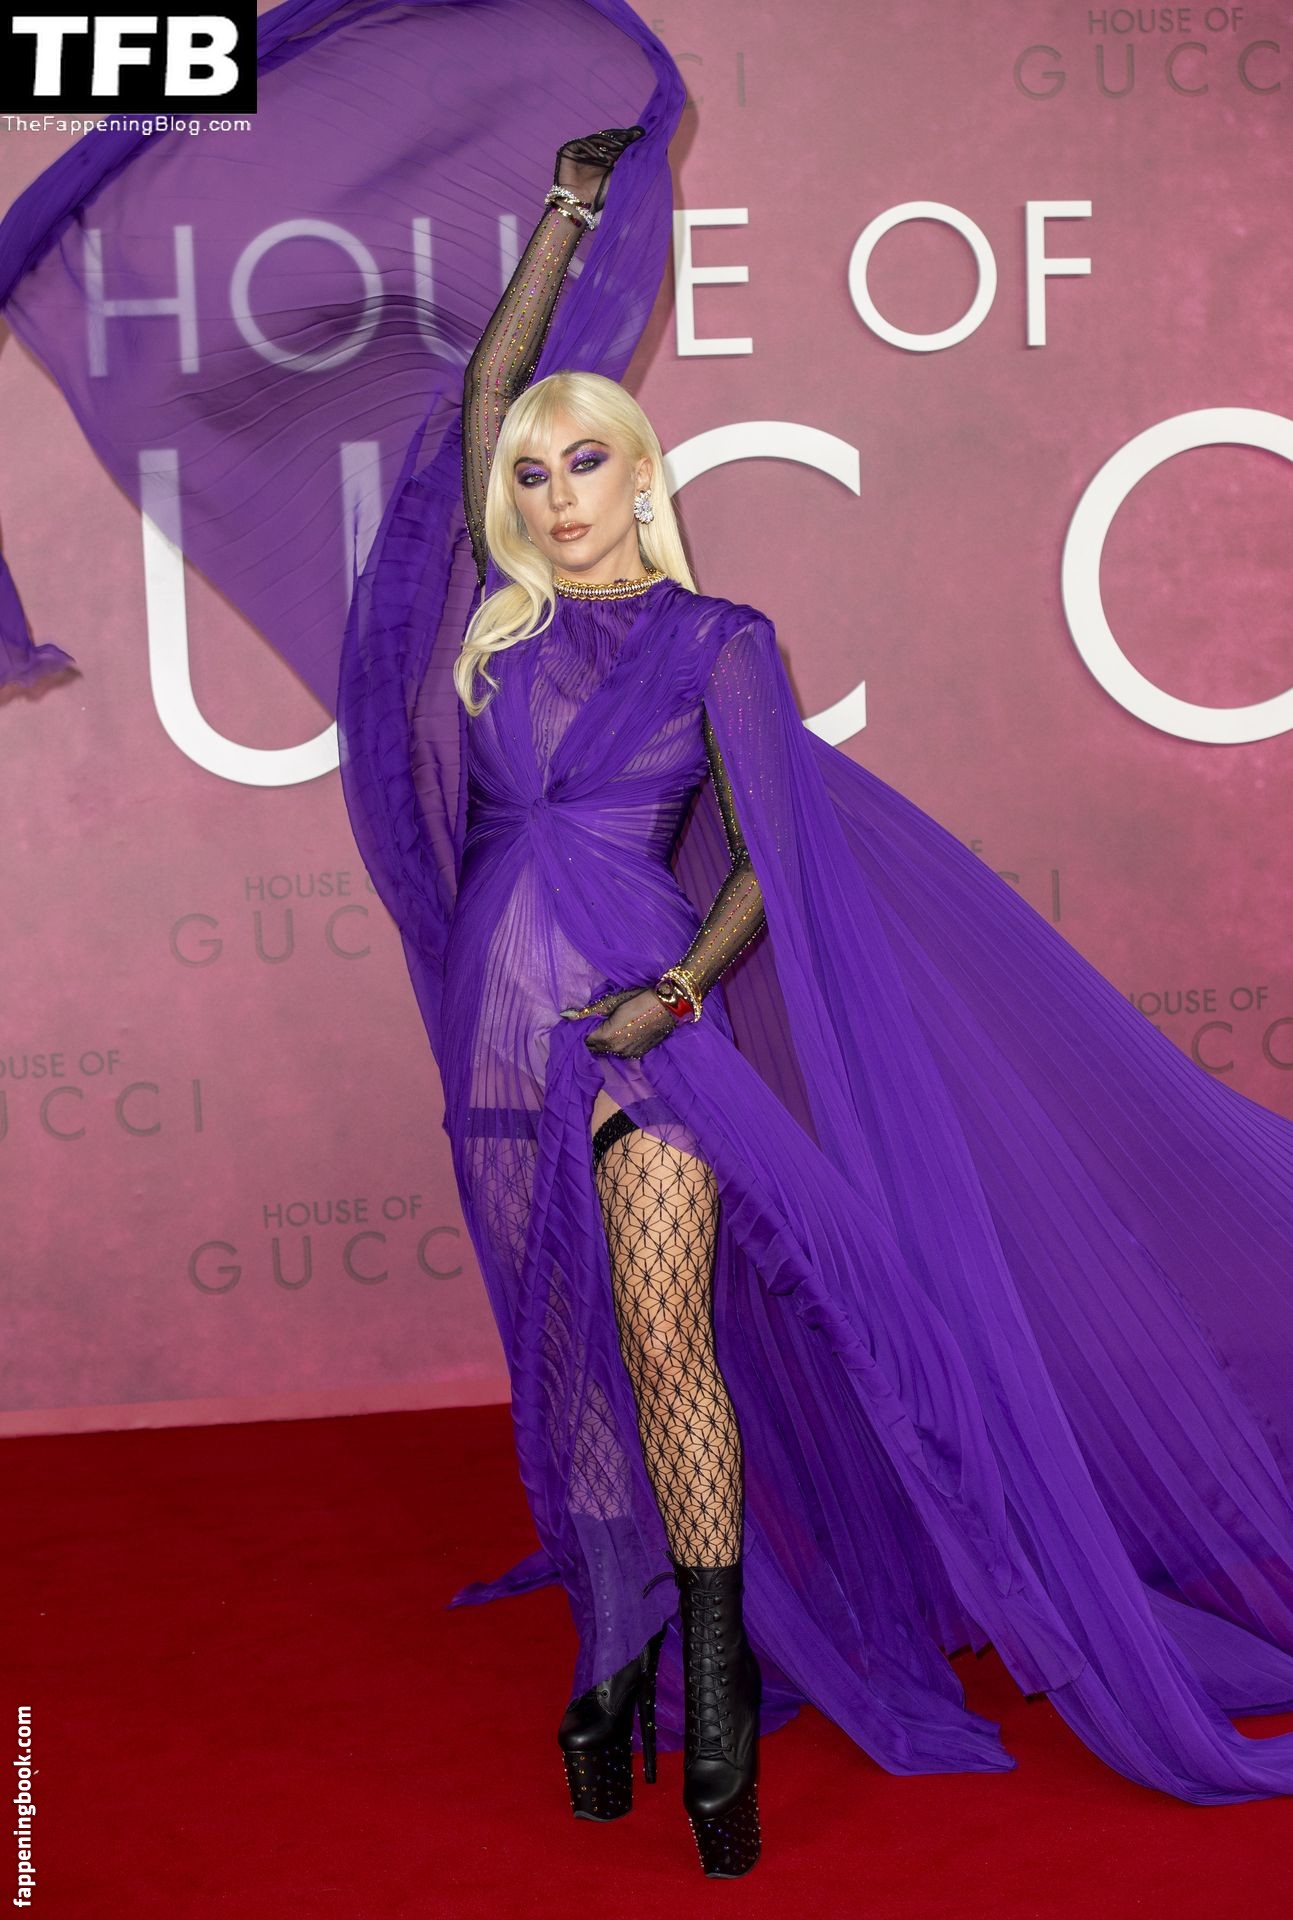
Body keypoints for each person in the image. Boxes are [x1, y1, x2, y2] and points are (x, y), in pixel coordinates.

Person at [8, 0, 1293, 1885]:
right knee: (578, 1363)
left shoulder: (718, 646)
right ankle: (616, 1655)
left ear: (638, 474)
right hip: (497, 1027)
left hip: (645, 1027)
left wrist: (677, 995)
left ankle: (714, 1683)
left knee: (670, 1347)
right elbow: (476, 401)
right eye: (531, 477)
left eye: (579, 465)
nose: (549, 494)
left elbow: (768, 865)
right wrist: (548, 223)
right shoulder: (492, 634)